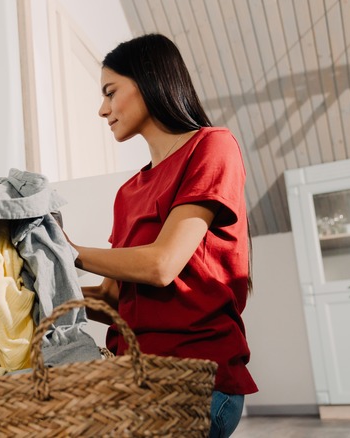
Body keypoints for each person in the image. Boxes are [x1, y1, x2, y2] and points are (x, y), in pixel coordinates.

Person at [67, 33, 258, 438]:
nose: (103, 110)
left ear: (149, 80)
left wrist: (69, 252)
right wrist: (37, 288)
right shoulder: (128, 192)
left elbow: (162, 265)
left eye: (110, 92)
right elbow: (113, 299)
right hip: (133, 381)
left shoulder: (212, 147)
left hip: (193, 382)